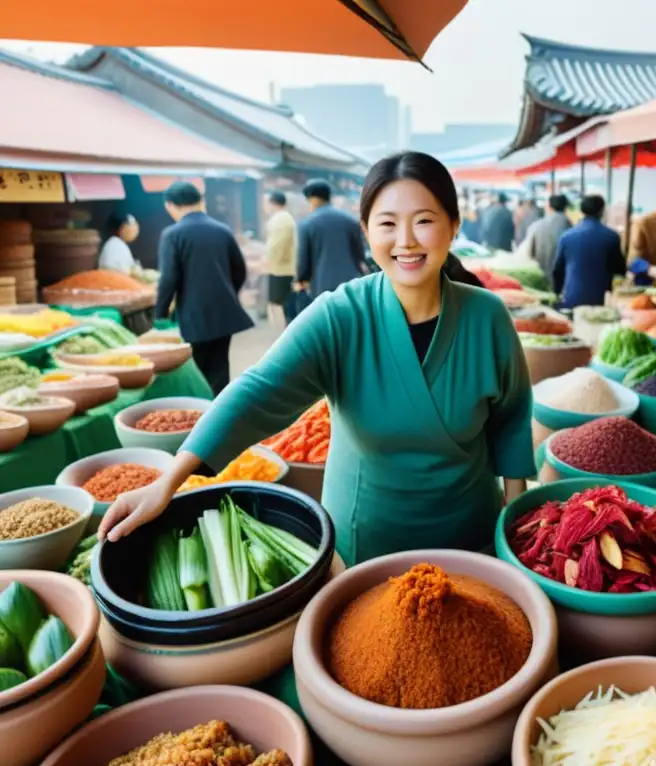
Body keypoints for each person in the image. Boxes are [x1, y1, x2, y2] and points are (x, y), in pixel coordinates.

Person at [99, 151, 535, 567]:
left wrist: (514, 527)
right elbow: (258, 390)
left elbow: (511, 419)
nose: (405, 241)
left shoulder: (487, 316)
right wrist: (168, 482)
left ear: (454, 226)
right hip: (366, 541)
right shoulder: (340, 316)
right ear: (365, 232)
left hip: (471, 538)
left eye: (424, 221)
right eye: (387, 223)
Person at [154, 181, 253, 395]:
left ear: (169, 206)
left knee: (196, 370)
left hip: (193, 314)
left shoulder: (173, 234)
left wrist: (160, 314)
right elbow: (240, 270)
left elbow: (169, 278)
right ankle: (222, 416)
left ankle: (201, 417)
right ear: (201, 202)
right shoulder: (222, 230)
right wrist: (228, 292)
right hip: (224, 311)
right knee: (219, 367)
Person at [296, 179, 368, 298]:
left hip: (321, 285)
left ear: (312, 199)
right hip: (351, 283)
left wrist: (301, 279)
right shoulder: (350, 221)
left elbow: (303, 257)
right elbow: (360, 254)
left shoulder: (307, 224)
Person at [553, 195, 626, 309]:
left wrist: (557, 293)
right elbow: (620, 269)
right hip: (599, 299)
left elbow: (557, 270)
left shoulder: (566, 236)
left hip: (571, 298)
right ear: (602, 211)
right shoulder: (611, 236)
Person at [263, 191, 297, 328]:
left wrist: (268, 261)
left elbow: (277, 246)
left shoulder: (281, 219)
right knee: (286, 303)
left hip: (282, 269)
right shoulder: (283, 218)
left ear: (272, 203)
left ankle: (291, 330)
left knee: (285, 303)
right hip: (284, 267)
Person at [526, 193, 571, 280]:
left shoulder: (536, 226)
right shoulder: (570, 228)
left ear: (549, 207)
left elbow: (529, 254)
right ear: (566, 209)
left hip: (541, 279)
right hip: (564, 280)